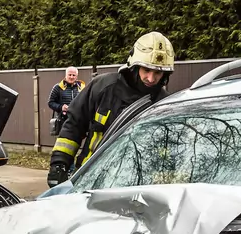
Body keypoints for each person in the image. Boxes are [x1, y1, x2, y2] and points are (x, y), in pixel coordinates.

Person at [47, 32, 174, 187]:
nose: (151, 78)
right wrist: (59, 164)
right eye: (146, 70)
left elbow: (166, 150)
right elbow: (74, 125)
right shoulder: (103, 87)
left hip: (136, 186)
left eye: (158, 72)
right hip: (89, 179)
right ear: (134, 66)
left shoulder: (164, 104)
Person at [46, 67, 85, 137]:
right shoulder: (58, 87)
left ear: (76, 76)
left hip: (78, 121)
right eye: (69, 75)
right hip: (63, 121)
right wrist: (61, 107)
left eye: (73, 75)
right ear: (66, 75)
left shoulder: (82, 88)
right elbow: (50, 103)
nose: (71, 77)